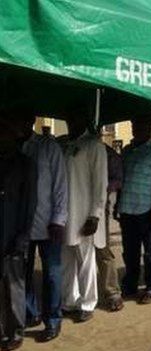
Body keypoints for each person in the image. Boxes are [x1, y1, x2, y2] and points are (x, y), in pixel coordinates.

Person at [18, 115, 68, 342]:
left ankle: (53, 320)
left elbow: (60, 185)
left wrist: (58, 219)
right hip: (22, 224)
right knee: (23, 273)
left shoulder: (48, 146)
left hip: (49, 224)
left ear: (30, 120)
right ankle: (31, 313)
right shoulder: (13, 147)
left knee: (51, 274)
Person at [59, 110, 108, 323]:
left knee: (86, 260)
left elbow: (101, 184)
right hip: (65, 213)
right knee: (66, 259)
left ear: (85, 120)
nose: (71, 122)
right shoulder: (68, 145)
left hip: (85, 214)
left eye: (75, 118)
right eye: (69, 118)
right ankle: (69, 301)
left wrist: (95, 215)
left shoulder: (94, 145)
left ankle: (88, 303)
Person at [116, 117, 151, 304]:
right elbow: (121, 180)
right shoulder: (127, 151)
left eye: (140, 125)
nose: (136, 128)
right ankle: (130, 284)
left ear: (149, 127)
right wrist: (117, 205)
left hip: (147, 209)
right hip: (127, 208)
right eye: (134, 125)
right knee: (129, 251)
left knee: (149, 251)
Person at [0, 117, 37, 351]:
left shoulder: (26, 165)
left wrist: (23, 236)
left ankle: (15, 331)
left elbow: (30, 203)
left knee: (14, 285)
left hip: (14, 233)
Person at [97, 144, 124, 312]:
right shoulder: (68, 146)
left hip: (99, 204)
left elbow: (118, 180)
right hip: (75, 204)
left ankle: (112, 291)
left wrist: (102, 188)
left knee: (102, 248)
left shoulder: (108, 153)